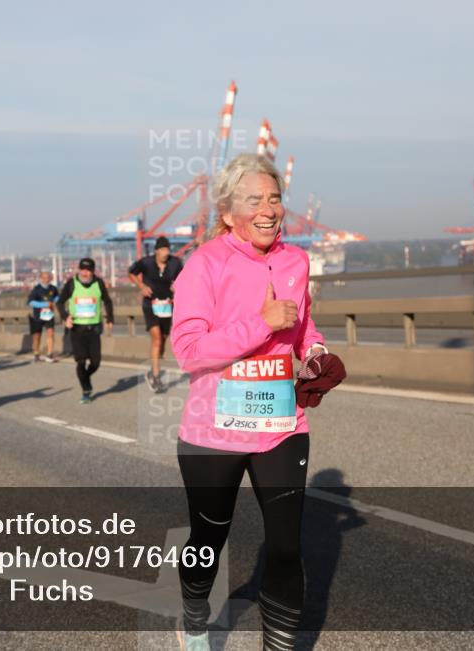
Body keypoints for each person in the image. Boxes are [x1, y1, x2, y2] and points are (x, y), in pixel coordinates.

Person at [170, 154, 332, 651]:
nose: (268, 209)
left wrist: (317, 352)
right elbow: (189, 351)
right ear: (227, 212)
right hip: (212, 430)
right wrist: (262, 322)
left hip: (281, 423)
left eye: (275, 198)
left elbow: (301, 326)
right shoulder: (204, 264)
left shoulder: (295, 261)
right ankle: (195, 619)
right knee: (207, 542)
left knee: (285, 547)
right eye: (254, 200)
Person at [129, 235, 183, 393]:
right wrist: (141, 286)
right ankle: (156, 376)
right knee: (157, 337)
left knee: (163, 340)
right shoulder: (146, 262)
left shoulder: (175, 263)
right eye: (163, 250)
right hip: (150, 304)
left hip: (167, 305)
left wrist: (177, 287)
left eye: (168, 249)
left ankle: (153, 368)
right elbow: (132, 272)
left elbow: (184, 278)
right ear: (157, 251)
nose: (166, 252)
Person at [56, 258, 113, 404]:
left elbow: (107, 301)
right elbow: (60, 302)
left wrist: (110, 318)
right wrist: (65, 316)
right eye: (83, 270)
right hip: (77, 329)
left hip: (94, 329)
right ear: (79, 270)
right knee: (81, 362)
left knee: (95, 363)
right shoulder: (72, 283)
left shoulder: (98, 283)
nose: (85, 273)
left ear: (93, 271)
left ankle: (85, 377)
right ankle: (86, 390)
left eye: (89, 270)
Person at [27, 271, 59, 363]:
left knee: (51, 332)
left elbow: (57, 297)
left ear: (50, 278)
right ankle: (36, 354)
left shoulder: (53, 288)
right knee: (37, 336)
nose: (46, 279)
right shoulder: (36, 289)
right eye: (44, 278)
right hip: (38, 315)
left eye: (48, 277)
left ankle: (49, 354)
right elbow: (30, 302)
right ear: (41, 278)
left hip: (49, 315)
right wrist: (45, 304)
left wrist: (55, 302)